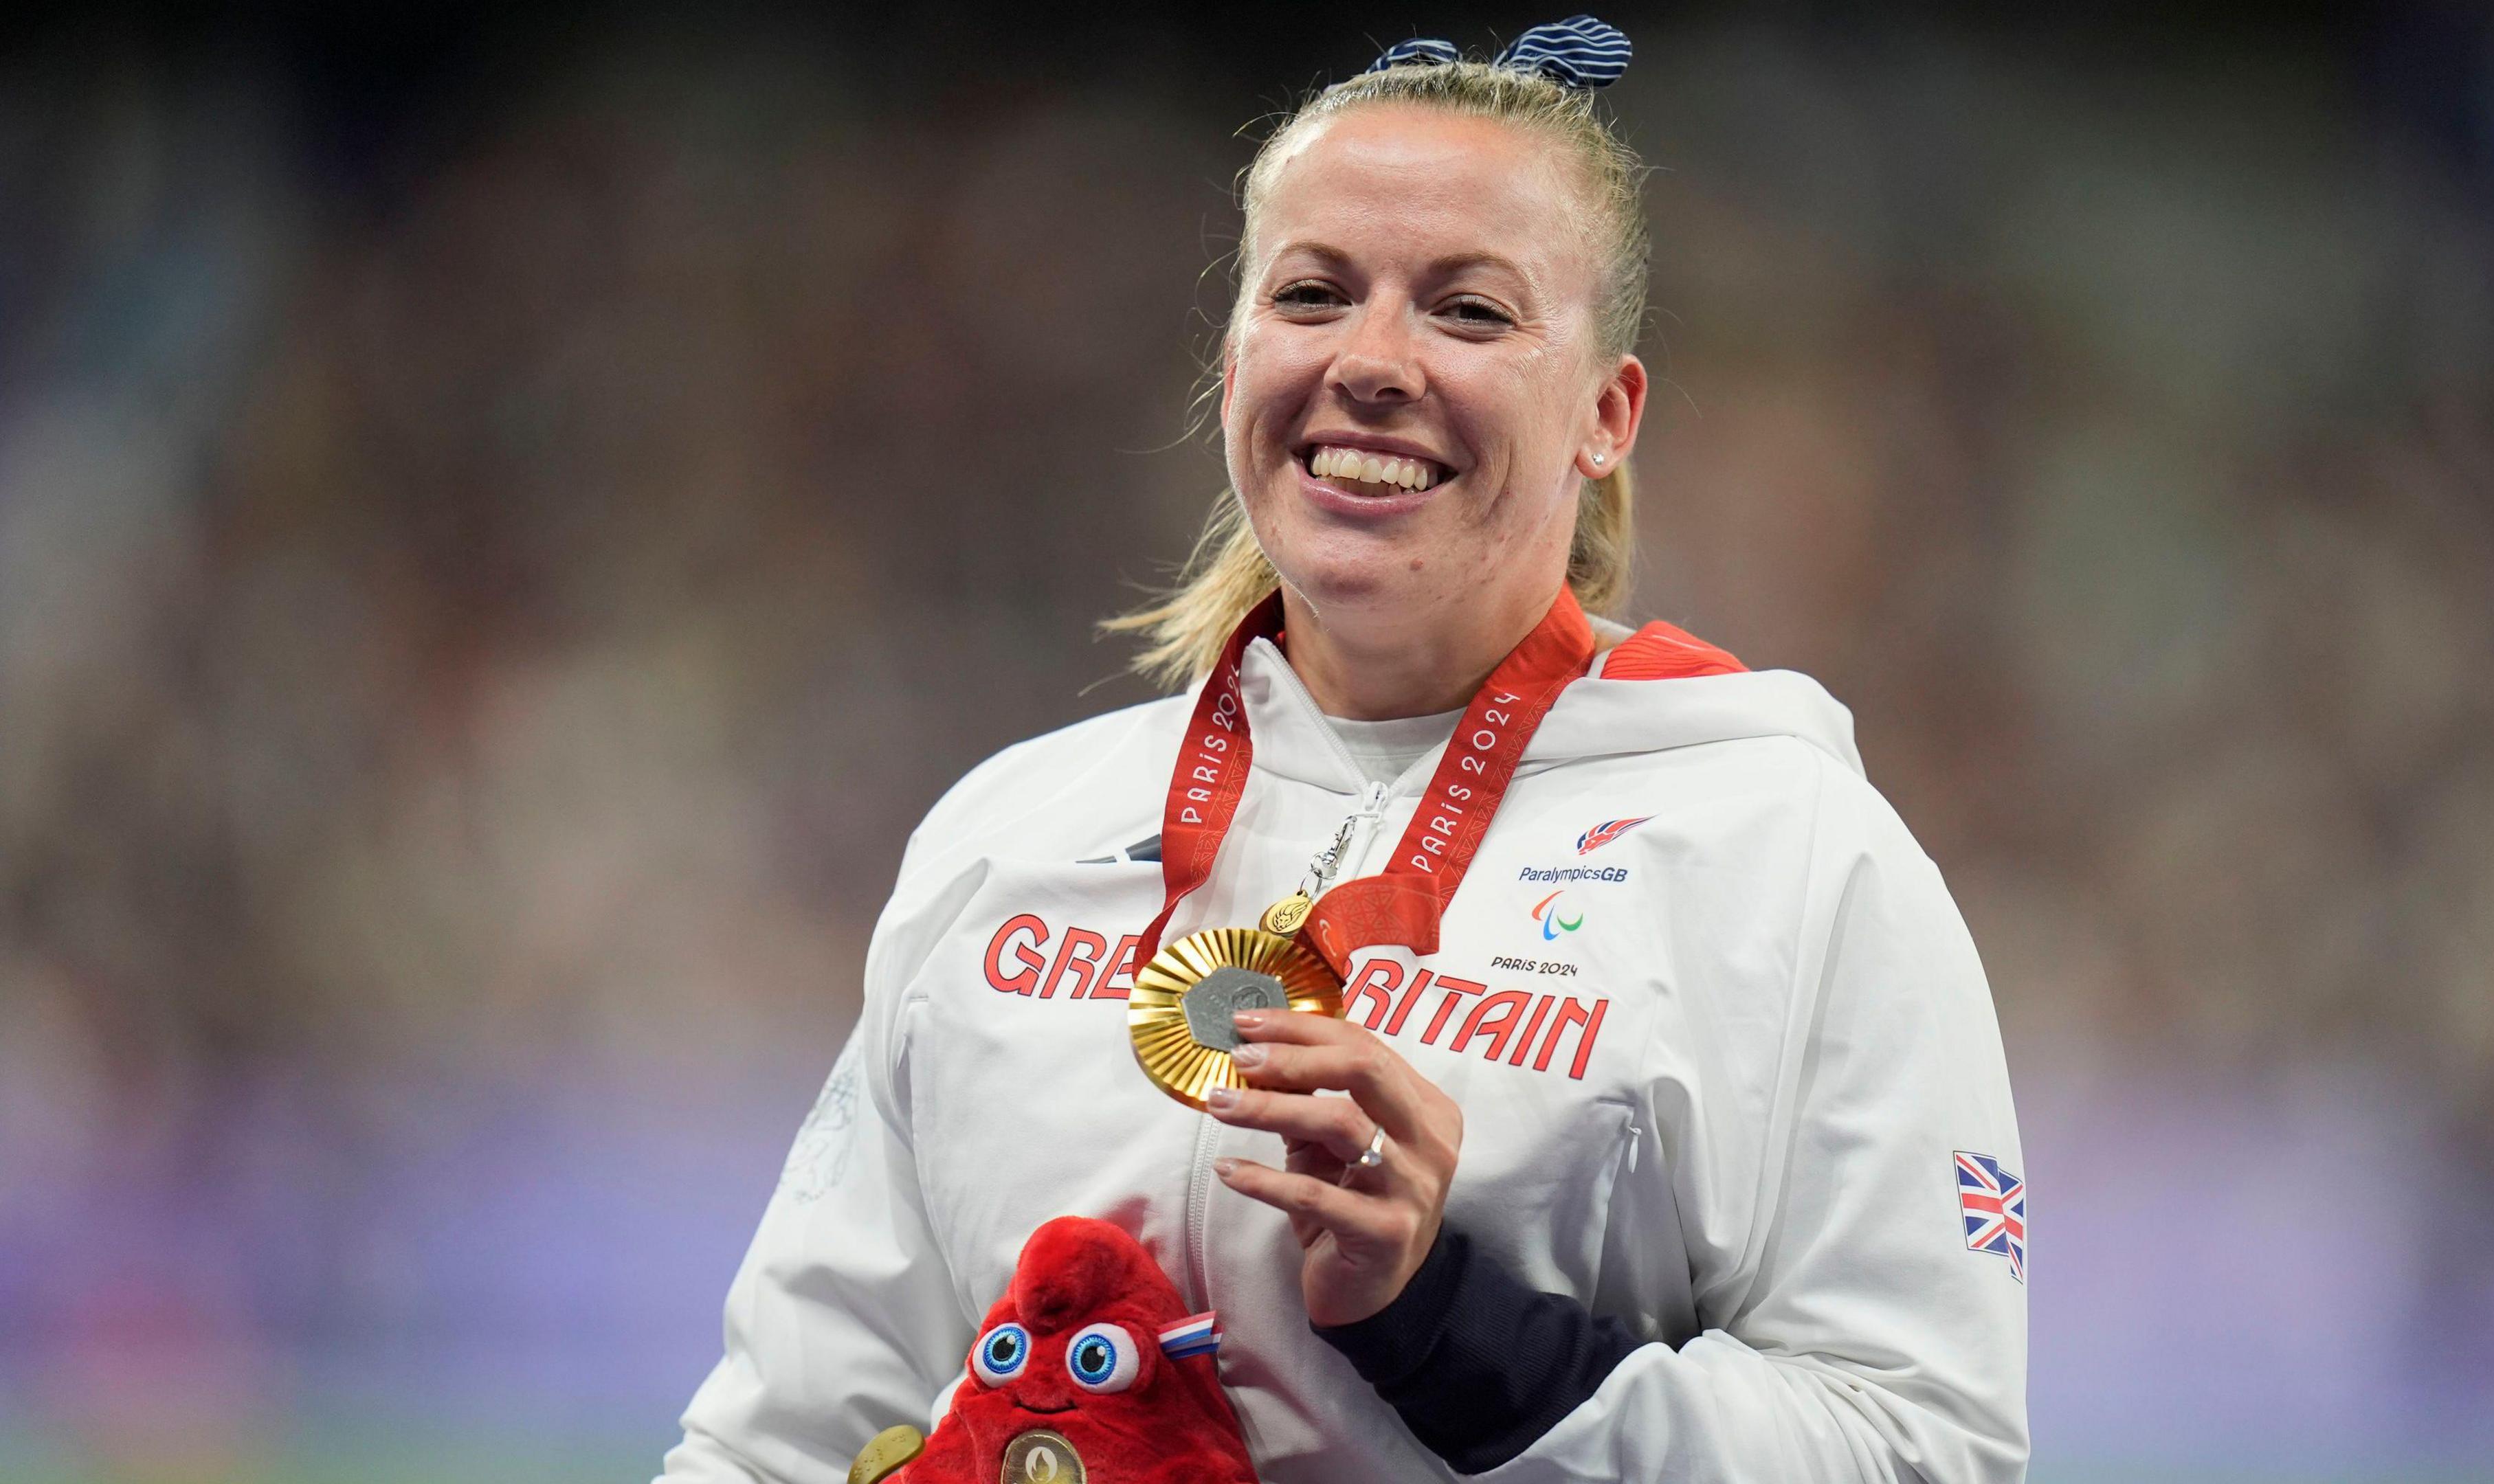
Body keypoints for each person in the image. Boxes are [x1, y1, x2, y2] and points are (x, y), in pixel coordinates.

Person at [659, 19, 2027, 1484]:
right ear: (1237, 356)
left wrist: (1449, 1321)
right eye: (1312, 294)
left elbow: (1920, 1450)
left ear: (1606, 416)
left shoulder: (1797, 857)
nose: (1371, 362)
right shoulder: (1008, 838)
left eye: (1471, 312)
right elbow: (787, 1435)